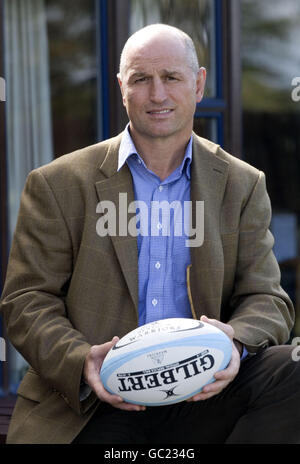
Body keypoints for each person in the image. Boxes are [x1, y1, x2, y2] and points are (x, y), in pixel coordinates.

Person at [0, 23, 299, 445]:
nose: (157, 95)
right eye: (141, 79)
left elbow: (267, 299)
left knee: (293, 368)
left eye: (171, 78)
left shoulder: (242, 183)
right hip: (95, 403)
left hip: (205, 394)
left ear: (198, 84)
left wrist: (233, 345)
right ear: (123, 88)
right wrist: (83, 361)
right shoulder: (57, 183)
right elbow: (26, 300)